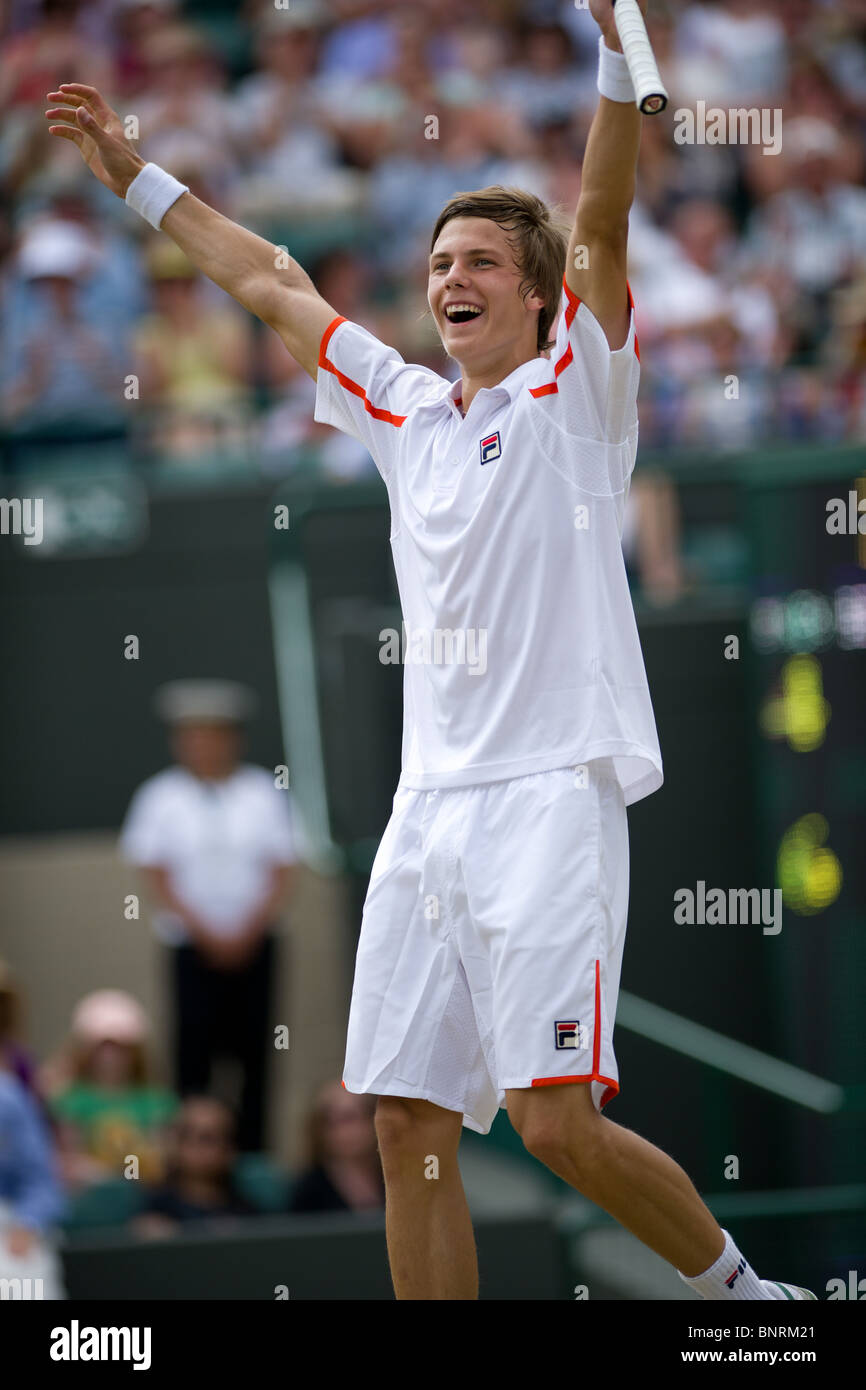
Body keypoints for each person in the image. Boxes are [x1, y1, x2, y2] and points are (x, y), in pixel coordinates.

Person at [44, 0, 815, 1301]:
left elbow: (603, 220)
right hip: (425, 817)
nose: (448, 279)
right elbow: (272, 280)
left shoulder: (577, 389)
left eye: (478, 264)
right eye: (437, 262)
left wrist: (619, 64)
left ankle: (752, 1304)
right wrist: (141, 179)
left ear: (536, 292)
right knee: (404, 1124)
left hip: (547, 796)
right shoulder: (405, 408)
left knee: (553, 1119)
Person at [118, 680, 305, 1153]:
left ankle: (252, 1161)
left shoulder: (264, 791)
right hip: (191, 949)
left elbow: (282, 867)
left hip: (255, 945)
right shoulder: (159, 796)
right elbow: (156, 874)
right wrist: (205, 932)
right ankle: (191, 1161)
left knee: (256, 1056)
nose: (202, 746)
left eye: (213, 735)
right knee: (192, 1055)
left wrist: (247, 929)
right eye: (192, 736)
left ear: (233, 739)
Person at [40, 988, 178, 1191]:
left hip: (146, 1196)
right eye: (104, 1046)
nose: (111, 1056)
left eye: (121, 1046)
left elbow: (162, 1158)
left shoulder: (158, 1100)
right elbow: (68, 1161)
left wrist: (125, 1172)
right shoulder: (69, 1100)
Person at [0, 960, 66, 1298]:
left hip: (7, 1227)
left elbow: (40, 1178)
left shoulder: (9, 1094)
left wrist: (27, 1223)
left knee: (24, 1282)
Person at [133, 1096, 256, 1237]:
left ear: (230, 1149)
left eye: (205, 1138)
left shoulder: (249, 1219)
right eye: (184, 1135)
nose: (192, 1145)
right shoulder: (150, 1212)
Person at [289, 1080, 385, 1215]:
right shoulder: (308, 1190)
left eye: (350, 1118)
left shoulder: (393, 1179)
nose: (342, 1132)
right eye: (330, 1122)